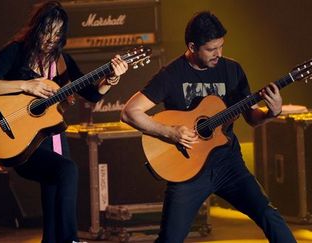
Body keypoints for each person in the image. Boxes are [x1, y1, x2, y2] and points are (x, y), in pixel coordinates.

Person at [121, 11, 296, 243]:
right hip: (187, 170)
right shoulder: (171, 75)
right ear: (192, 46)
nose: (219, 54)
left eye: (221, 46)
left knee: (268, 214)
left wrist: (271, 112)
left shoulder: (232, 70)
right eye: (211, 49)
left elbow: (251, 117)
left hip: (228, 165)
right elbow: (129, 112)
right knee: (170, 239)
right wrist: (171, 132)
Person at [0, 1, 128, 242]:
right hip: (20, 143)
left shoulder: (63, 61)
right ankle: (70, 239)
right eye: (47, 31)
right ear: (36, 28)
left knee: (56, 185)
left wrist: (111, 79)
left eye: (57, 33)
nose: (51, 38)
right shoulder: (16, 52)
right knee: (67, 170)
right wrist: (26, 85)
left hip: (52, 138)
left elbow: (91, 94)